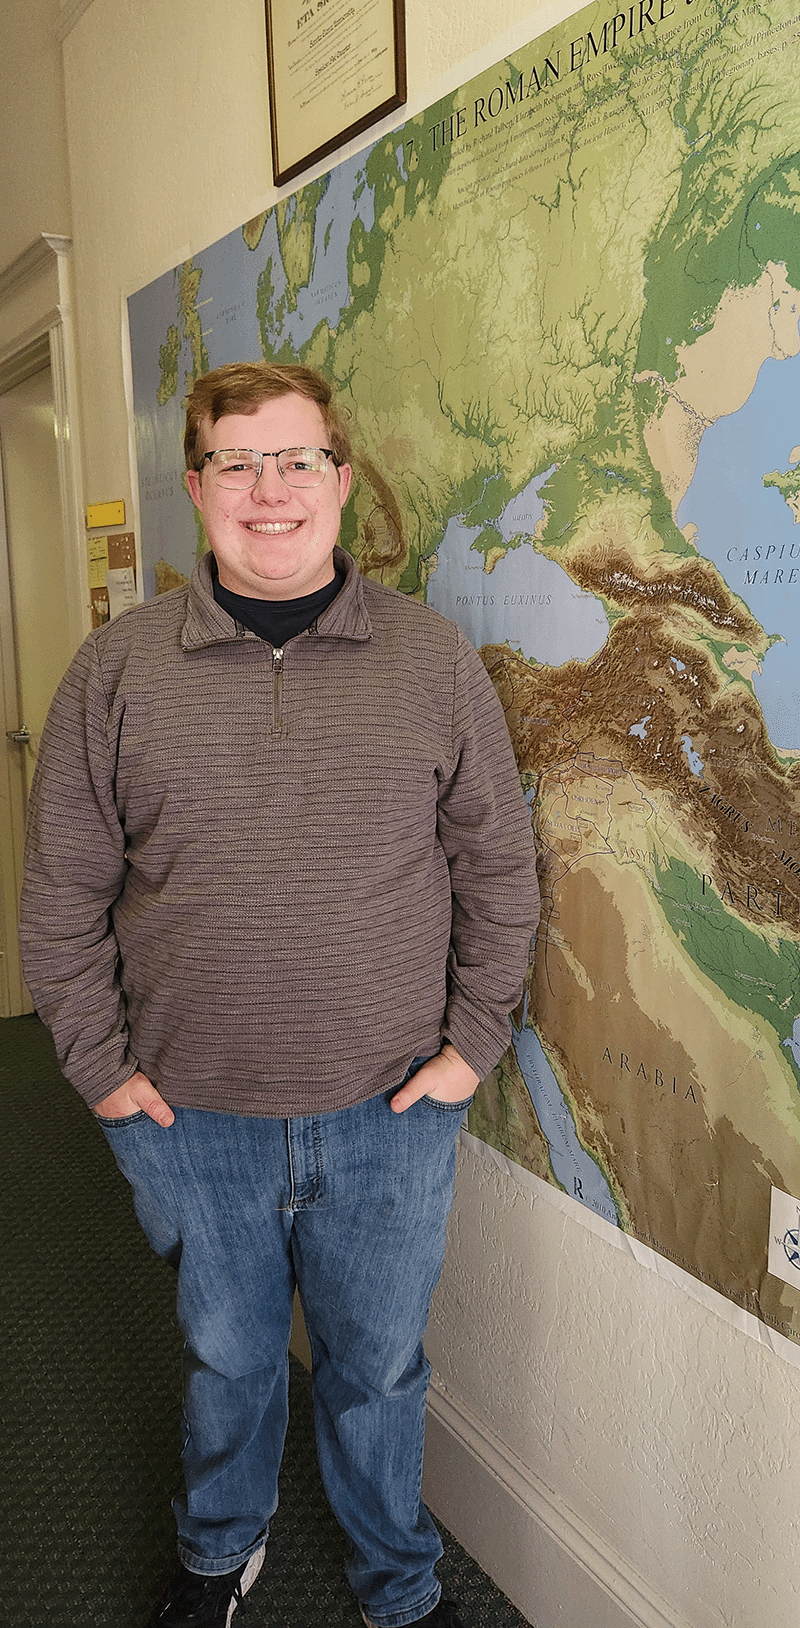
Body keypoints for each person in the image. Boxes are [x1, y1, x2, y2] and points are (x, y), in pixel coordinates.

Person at [20, 362, 539, 1628]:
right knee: (230, 1362)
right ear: (195, 487)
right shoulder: (115, 671)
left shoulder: (429, 660)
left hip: (392, 1114)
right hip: (189, 1120)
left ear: (341, 482)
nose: (270, 490)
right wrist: (98, 1066)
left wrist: (470, 1051)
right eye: (237, 463)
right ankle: (219, 1550)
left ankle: (395, 1581)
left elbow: (498, 868)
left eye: (296, 459)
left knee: (375, 1372)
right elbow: (59, 898)